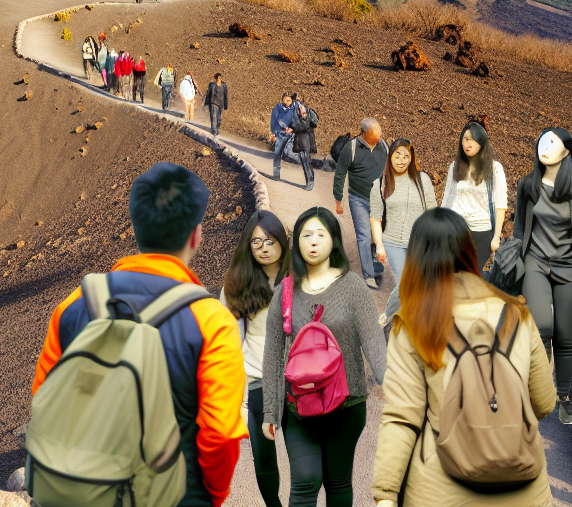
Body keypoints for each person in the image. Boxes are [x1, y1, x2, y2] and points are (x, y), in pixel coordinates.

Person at [33, 162, 247, 507]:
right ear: (196, 235)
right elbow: (221, 434)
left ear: (136, 229)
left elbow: (45, 405)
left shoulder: (74, 305)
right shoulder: (212, 321)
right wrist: (210, 497)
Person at [370, 208, 555, 507]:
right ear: (469, 252)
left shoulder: (415, 324)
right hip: (524, 489)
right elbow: (544, 403)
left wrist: (386, 493)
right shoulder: (517, 314)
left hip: (440, 491)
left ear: (416, 261)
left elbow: (402, 418)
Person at [263, 207, 387, 507]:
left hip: (347, 405)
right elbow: (273, 353)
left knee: (338, 481)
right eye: (306, 235)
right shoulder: (285, 292)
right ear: (297, 243)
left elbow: (374, 344)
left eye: (321, 234)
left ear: (334, 240)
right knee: (305, 479)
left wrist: (401, 393)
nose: (313, 241)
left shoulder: (353, 287)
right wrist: (270, 410)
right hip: (298, 407)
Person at [513, 127, 572, 425]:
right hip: (535, 264)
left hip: (569, 269)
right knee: (541, 328)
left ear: (566, 151)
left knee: (564, 336)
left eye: (553, 142)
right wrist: (512, 262)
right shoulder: (527, 185)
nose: (544, 146)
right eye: (542, 140)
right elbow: (519, 231)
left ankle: (563, 398)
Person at [221, 211, 290, 507]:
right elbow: (228, 342)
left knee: (305, 457)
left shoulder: (299, 278)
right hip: (257, 380)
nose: (263, 247)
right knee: (264, 458)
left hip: (297, 378)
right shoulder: (239, 283)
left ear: (282, 242)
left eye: (269, 240)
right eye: (256, 242)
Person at [369, 138, 437, 327]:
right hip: (392, 242)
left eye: (406, 156)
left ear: (411, 158)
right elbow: (375, 218)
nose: (401, 160)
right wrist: (380, 246)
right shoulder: (381, 183)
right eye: (397, 155)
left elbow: (432, 213)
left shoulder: (422, 180)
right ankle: (386, 319)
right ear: (390, 157)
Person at [441, 121, 507, 274]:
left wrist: (496, 237)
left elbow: (500, 204)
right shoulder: (455, 166)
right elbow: (447, 198)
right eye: (464, 139)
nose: (467, 143)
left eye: (471, 139)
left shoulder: (494, 168)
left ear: (481, 141)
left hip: (482, 232)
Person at [333, 118, 388, 290]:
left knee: (378, 235)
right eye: (376, 131)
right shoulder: (351, 148)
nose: (380, 134)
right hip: (358, 199)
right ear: (365, 133)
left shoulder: (384, 146)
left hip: (379, 200)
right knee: (364, 235)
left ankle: (374, 261)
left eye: (380, 130)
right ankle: (370, 275)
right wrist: (338, 199)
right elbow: (340, 173)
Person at [288, 98, 317, 191]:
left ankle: (310, 181)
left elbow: (300, 126)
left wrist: (292, 128)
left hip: (303, 140)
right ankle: (310, 180)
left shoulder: (302, 114)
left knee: (305, 161)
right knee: (306, 161)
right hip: (303, 140)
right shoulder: (305, 112)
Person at [269, 93, 299, 182]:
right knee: (277, 154)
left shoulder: (295, 110)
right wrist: (273, 134)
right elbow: (273, 121)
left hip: (290, 135)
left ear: (292, 100)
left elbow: (298, 122)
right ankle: (276, 175)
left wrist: (292, 129)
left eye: (288, 100)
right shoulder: (277, 108)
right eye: (284, 99)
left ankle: (303, 161)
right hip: (279, 134)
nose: (286, 102)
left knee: (289, 152)